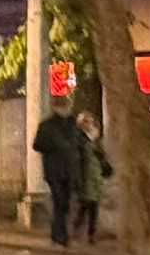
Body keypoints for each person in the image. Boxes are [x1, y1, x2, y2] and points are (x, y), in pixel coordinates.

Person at [31, 94, 88, 247]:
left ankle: (60, 235)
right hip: (55, 170)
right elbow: (37, 145)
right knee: (59, 202)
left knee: (65, 204)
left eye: (66, 106)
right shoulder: (47, 125)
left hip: (69, 170)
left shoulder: (73, 125)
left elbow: (82, 144)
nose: (65, 109)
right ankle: (59, 236)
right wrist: (55, 145)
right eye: (62, 106)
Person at [75, 111, 112, 245]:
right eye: (87, 122)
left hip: (96, 177)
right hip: (85, 176)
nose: (90, 124)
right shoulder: (80, 138)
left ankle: (90, 234)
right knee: (86, 206)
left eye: (91, 121)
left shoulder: (96, 138)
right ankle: (79, 229)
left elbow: (102, 156)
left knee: (93, 207)